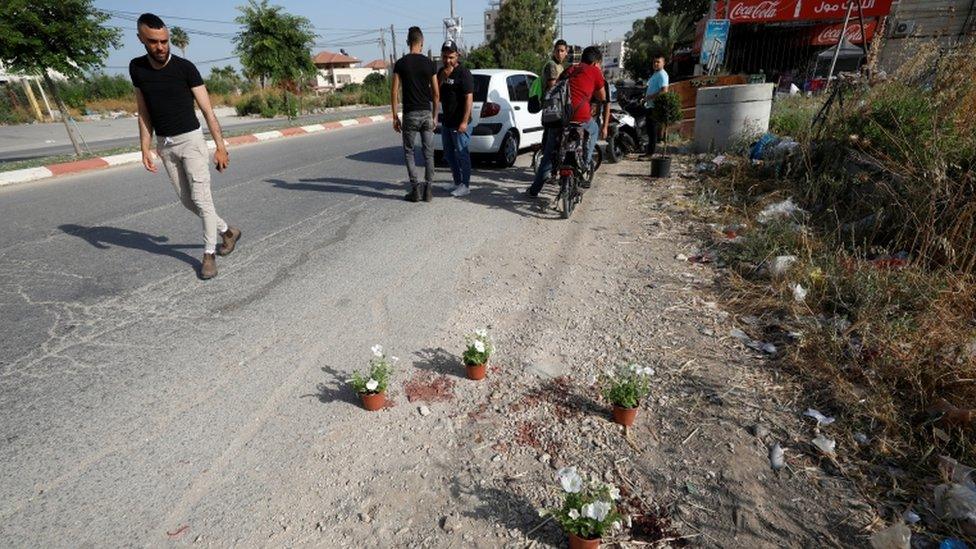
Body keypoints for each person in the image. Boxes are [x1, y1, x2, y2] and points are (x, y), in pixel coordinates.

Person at [129, 13, 240, 280]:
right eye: (153, 41)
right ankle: (228, 231)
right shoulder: (137, 68)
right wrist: (145, 146)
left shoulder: (185, 68)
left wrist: (220, 147)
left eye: (165, 41)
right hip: (165, 146)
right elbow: (143, 111)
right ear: (141, 39)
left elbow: (208, 110)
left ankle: (209, 254)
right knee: (189, 202)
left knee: (203, 199)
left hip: (191, 140)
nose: (160, 47)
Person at [527, 46, 608, 197]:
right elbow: (603, 97)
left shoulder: (570, 69)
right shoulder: (595, 71)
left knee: (550, 154)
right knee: (594, 129)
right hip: (581, 118)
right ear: (596, 62)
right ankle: (585, 161)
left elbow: (557, 86)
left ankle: (534, 190)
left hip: (560, 117)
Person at [391, 27, 439, 202]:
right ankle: (428, 190)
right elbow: (436, 93)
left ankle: (415, 189)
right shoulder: (429, 63)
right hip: (426, 113)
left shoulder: (401, 63)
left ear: (407, 42)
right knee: (428, 153)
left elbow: (394, 91)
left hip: (410, 114)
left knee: (409, 152)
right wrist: (435, 116)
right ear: (422, 42)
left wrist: (395, 116)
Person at [437, 40, 474, 197]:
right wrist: (441, 79)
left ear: (457, 55)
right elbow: (435, 94)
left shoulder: (464, 73)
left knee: (462, 154)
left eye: (451, 57)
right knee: (448, 154)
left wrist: (464, 122)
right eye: (445, 57)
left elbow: (469, 98)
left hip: (460, 123)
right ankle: (456, 181)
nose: (448, 60)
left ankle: (465, 185)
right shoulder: (441, 72)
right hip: (447, 122)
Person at [643, 54, 670, 158]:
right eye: (654, 62)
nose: (655, 64)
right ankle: (648, 152)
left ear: (663, 63)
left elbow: (664, 91)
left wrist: (649, 97)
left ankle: (650, 153)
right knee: (650, 131)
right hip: (649, 106)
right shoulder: (655, 74)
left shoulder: (663, 75)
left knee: (653, 131)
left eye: (658, 62)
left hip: (655, 107)